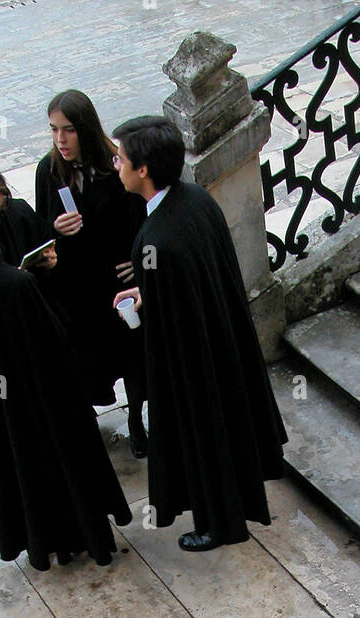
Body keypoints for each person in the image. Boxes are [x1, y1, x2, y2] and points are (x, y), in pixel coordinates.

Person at [0, 176, 132, 570]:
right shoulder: (12, 284)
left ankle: (40, 542)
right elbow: (52, 341)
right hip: (34, 405)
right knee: (53, 472)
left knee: (18, 475)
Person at [112, 117, 286, 553]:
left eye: (121, 158)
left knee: (205, 437)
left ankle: (221, 524)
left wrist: (142, 307)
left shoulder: (157, 237)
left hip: (194, 364)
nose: (116, 165)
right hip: (223, 341)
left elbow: (174, 306)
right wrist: (149, 292)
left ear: (144, 170)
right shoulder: (193, 200)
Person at [35, 90, 147, 457]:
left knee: (130, 352)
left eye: (67, 130)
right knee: (80, 354)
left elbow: (139, 214)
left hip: (113, 279)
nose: (60, 140)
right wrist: (56, 230)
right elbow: (41, 231)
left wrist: (136, 260)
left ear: (84, 128)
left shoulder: (115, 167)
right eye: (54, 130)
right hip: (74, 282)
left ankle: (136, 419)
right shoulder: (48, 170)